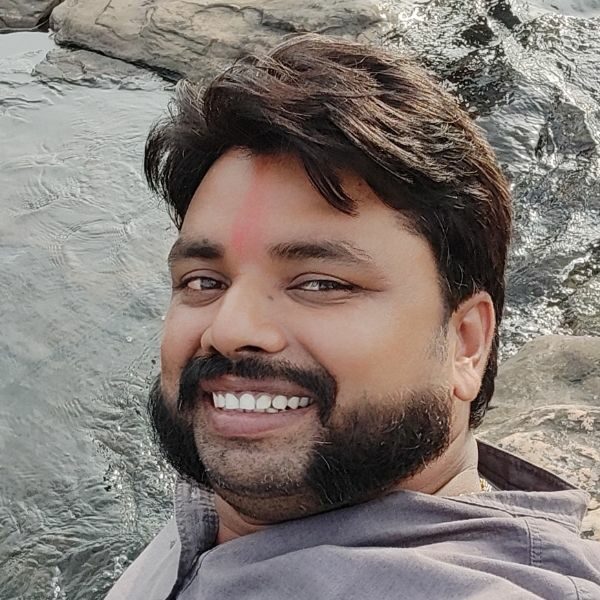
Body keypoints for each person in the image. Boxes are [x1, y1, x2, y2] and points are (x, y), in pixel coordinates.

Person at [106, 34, 600, 599]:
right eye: (204, 282)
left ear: (466, 344)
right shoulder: (246, 502)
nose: (229, 329)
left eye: (321, 284)